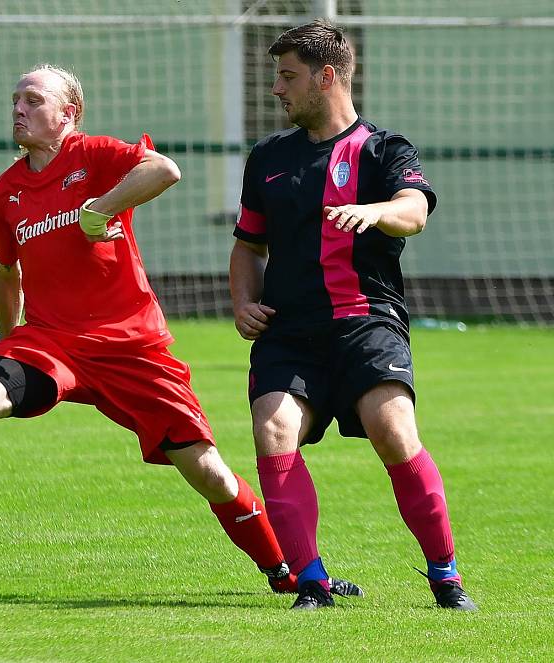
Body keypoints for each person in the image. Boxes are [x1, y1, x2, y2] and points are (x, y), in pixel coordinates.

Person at [0, 63, 362, 601]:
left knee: (209, 473)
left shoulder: (96, 156)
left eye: (34, 101)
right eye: (16, 100)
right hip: (50, 342)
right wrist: (6, 339)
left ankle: (285, 571)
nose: (18, 109)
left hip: (131, 347)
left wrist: (101, 209)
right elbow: (6, 270)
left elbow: (165, 170)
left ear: (70, 113)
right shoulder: (7, 189)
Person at [230, 22, 477, 611]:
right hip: (288, 331)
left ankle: (445, 575)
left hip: (365, 320)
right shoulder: (267, 157)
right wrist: (242, 301)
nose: (277, 90)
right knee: (273, 430)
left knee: (393, 431)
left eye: (288, 77)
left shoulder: (385, 150)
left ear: (327, 76)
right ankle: (311, 582)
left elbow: (414, 210)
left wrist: (375, 211)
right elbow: (247, 244)